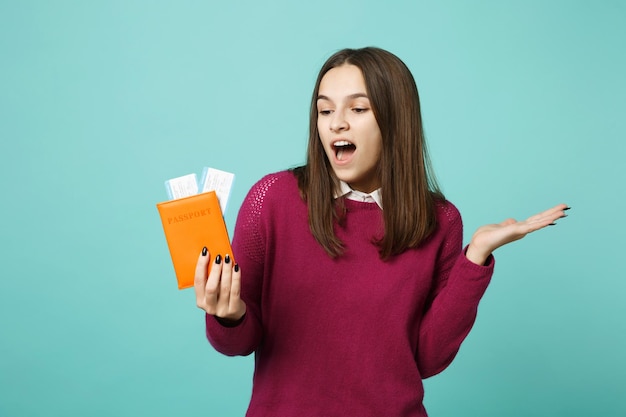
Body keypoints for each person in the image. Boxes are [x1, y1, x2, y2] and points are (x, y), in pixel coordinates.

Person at [193, 47, 568, 416]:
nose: (336, 122)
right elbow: (237, 343)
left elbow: (427, 359)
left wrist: (475, 258)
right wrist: (229, 316)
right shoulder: (271, 198)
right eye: (325, 110)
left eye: (357, 108)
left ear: (395, 119)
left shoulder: (440, 220)